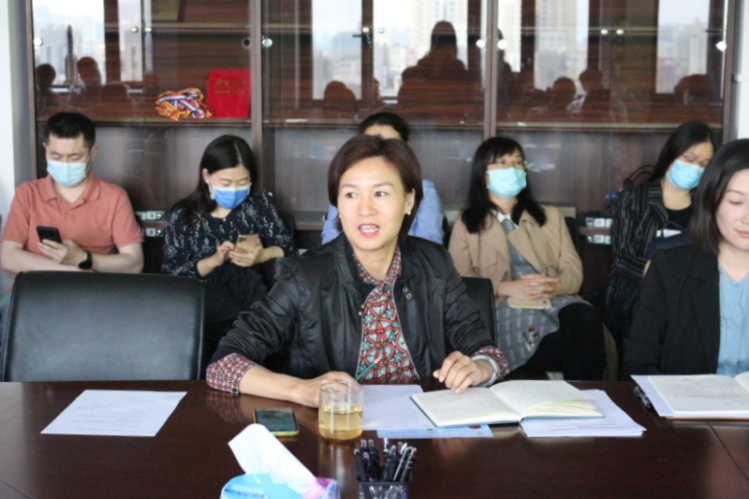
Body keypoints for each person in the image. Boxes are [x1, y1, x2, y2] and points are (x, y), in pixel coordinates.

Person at [206, 135, 508, 406]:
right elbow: (224, 364)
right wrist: (300, 390)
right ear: (337, 204)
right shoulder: (304, 276)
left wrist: (481, 367)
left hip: (425, 427)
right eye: (350, 195)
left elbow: (486, 350)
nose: (365, 210)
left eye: (380, 193)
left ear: (409, 200)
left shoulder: (434, 263)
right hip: (337, 429)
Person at [449, 137, 605, 380]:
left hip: (554, 298)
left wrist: (553, 285)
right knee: (535, 331)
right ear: (483, 173)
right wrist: (506, 287)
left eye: (517, 163)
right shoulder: (467, 222)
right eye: (502, 163)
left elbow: (573, 270)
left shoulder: (550, 216)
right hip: (503, 303)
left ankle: (586, 394)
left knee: (586, 318)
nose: (512, 169)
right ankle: (535, 381)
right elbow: (459, 281)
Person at [0, 112, 144, 336]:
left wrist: (84, 258)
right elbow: (7, 256)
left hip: (90, 296)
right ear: (45, 149)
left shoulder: (114, 197)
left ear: (92, 153)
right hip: (32, 295)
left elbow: (134, 263)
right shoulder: (28, 193)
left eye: (74, 157)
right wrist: (69, 269)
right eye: (56, 156)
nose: (64, 164)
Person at [621, 139, 749, 378]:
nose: (747, 218)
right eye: (736, 202)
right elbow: (638, 364)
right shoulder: (669, 269)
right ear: (712, 200)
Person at [162, 135, 295, 363]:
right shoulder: (185, 215)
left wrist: (262, 255)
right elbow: (172, 274)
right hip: (202, 313)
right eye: (226, 183)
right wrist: (213, 261)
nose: (234, 190)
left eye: (242, 182)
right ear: (207, 176)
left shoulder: (258, 204)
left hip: (253, 309)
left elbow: (287, 248)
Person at [606, 121, 715, 341]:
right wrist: (664, 274)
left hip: (694, 292)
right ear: (669, 154)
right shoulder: (633, 198)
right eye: (689, 159)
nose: (696, 169)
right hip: (639, 292)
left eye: (704, 164)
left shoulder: (708, 205)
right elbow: (622, 259)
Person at [321, 112, 445, 245]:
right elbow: (330, 239)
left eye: (380, 193)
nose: (380, 151)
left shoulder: (425, 190)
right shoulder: (345, 186)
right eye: (351, 195)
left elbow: (430, 242)